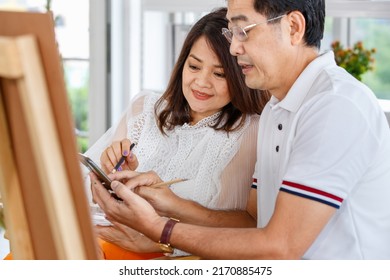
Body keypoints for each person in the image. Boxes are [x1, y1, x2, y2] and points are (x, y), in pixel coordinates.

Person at [91, 0, 390, 260]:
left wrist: (159, 229)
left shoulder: (335, 106)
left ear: (294, 28)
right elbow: (253, 221)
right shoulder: (277, 108)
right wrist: (169, 203)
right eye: (231, 33)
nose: (234, 47)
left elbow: (280, 248)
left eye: (243, 30)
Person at [83, 7, 270, 259]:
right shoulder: (146, 108)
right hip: (100, 243)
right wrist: (113, 173)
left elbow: (252, 227)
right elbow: (86, 192)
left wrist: (161, 239)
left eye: (219, 74)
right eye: (194, 66)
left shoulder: (254, 132)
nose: (201, 82)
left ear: (241, 74)